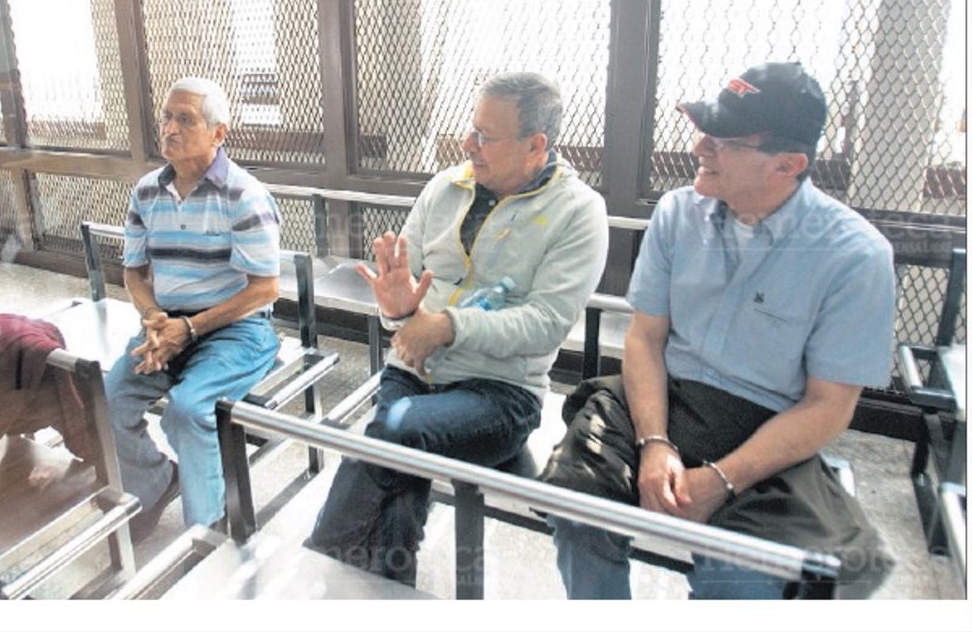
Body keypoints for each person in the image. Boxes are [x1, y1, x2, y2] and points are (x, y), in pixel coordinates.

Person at [541, 62, 896, 599]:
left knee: (744, 574)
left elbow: (828, 405)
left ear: (787, 164)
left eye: (722, 140)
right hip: (667, 401)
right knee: (577, 501)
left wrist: (723, 478)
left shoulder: (855, 257)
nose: (699, 147)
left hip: (769, 428)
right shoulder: (677, 214)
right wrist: (654, 443)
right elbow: (645, 339)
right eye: (702, 131)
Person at [308, 72, 609, 585]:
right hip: (414, 371)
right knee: (398, 493)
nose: (468, 144)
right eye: (470, 130)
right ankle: (386, 596)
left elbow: (545, 324)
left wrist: (445, 327)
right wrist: (398, 309)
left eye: (485, 136)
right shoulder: (444, 188)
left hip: (499, 394)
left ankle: (314, 567)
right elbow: (405, 306)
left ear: (535, 145)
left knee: (392, 431)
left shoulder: (579, 212)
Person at [104, 77, 281, 539]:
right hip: (169, 326)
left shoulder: (243, 195)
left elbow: (264, 290)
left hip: (236, 328)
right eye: (166, 116)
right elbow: (134, 274)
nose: (169, 128)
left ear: (218, 134)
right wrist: (153, 320)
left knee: (187, 408)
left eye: (185, 119)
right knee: (107, 400)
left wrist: (191, 329)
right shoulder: (146, 191)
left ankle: (207, 536)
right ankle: (158, 480)